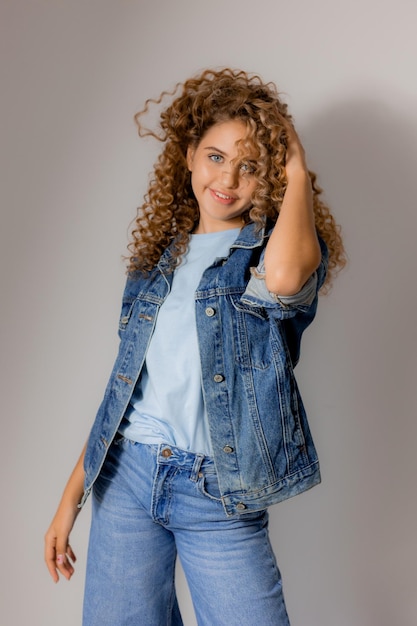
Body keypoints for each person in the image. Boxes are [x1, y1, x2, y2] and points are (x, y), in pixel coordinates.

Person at [45, 68, 345, 625]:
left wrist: (297, 166)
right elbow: (123, 393)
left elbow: (283, 281)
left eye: (250, 165)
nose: (227, 177)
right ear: (188, 156)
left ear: (271, 178)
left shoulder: (267, 253)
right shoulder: (156, 266)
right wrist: (70, 500)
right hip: (128, 479)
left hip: (219, 494)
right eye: (214, 156)